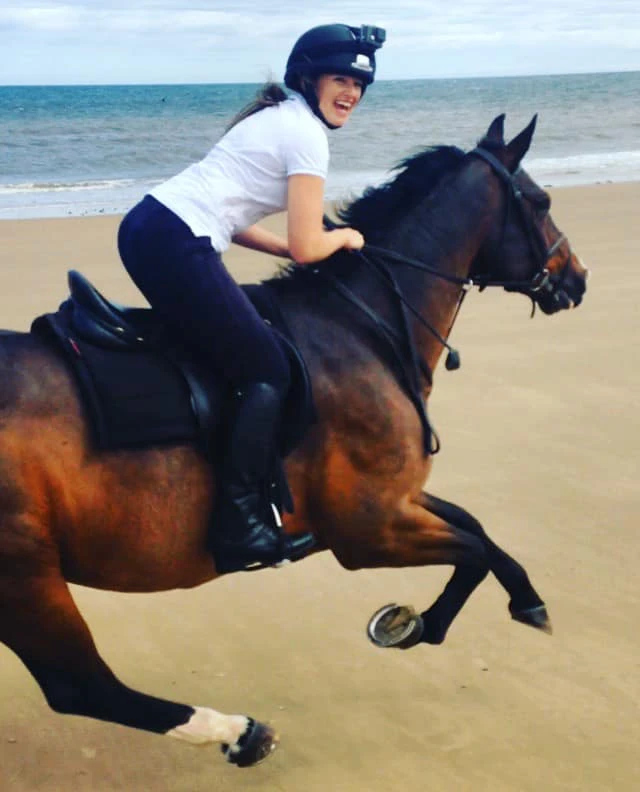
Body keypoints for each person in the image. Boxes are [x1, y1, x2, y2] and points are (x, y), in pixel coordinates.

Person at [117, 24, 386, 573]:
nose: (351, 93)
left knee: (233, 343)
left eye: (360, 84)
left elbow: (233, 218)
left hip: (153, 228)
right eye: (341, 79)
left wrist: (293, 244)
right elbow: (311, 249)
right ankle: (240, 522)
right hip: (174, 240)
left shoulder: (278, 119)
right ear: (308, 79)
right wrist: (347, 237)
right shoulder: (307, 135)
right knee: (268, 367)